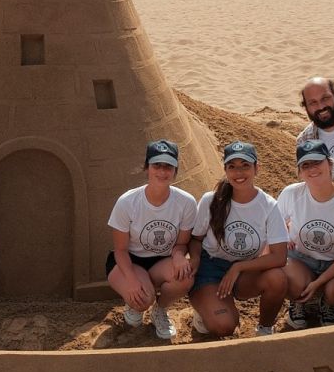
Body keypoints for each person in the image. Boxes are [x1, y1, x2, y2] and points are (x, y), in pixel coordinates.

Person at [189, 142, 288, 337]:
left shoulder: (268, 205)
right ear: (225, 170)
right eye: (232, 166)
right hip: (212, 268)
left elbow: (279, 257)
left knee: (277, 279)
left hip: (246, 270)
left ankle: (265, 328)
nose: (239, 172)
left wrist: (238, 267)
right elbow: (195, 240)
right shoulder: (211, 200)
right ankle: (205, 306)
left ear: (256, 168)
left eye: (245, 165)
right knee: (224, 325)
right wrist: (194, 259)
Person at [106, 140, 197, 340]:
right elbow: (120, 250)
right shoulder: (127, 202)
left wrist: (180, 255)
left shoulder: (186, 202)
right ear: (147, 167)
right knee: (141, 299)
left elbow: (181, 243)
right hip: (129, 259)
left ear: (175, 170)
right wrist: (131, 281)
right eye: (157, 165)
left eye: (168, 166)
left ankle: (160, 309)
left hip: (161, 260)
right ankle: (136, 302)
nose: (162, 172)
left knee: (185, 275)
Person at [278, 140, 334, 328]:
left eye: (317, 162)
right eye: (306, 165)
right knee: (282, 275)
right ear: (300, 172)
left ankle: (327, 302)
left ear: (330, 164)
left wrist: (319, 282)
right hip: (301, 258)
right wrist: (285, 236)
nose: (312, 169)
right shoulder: (291, 194)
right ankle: (299, 300)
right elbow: (274, 228)